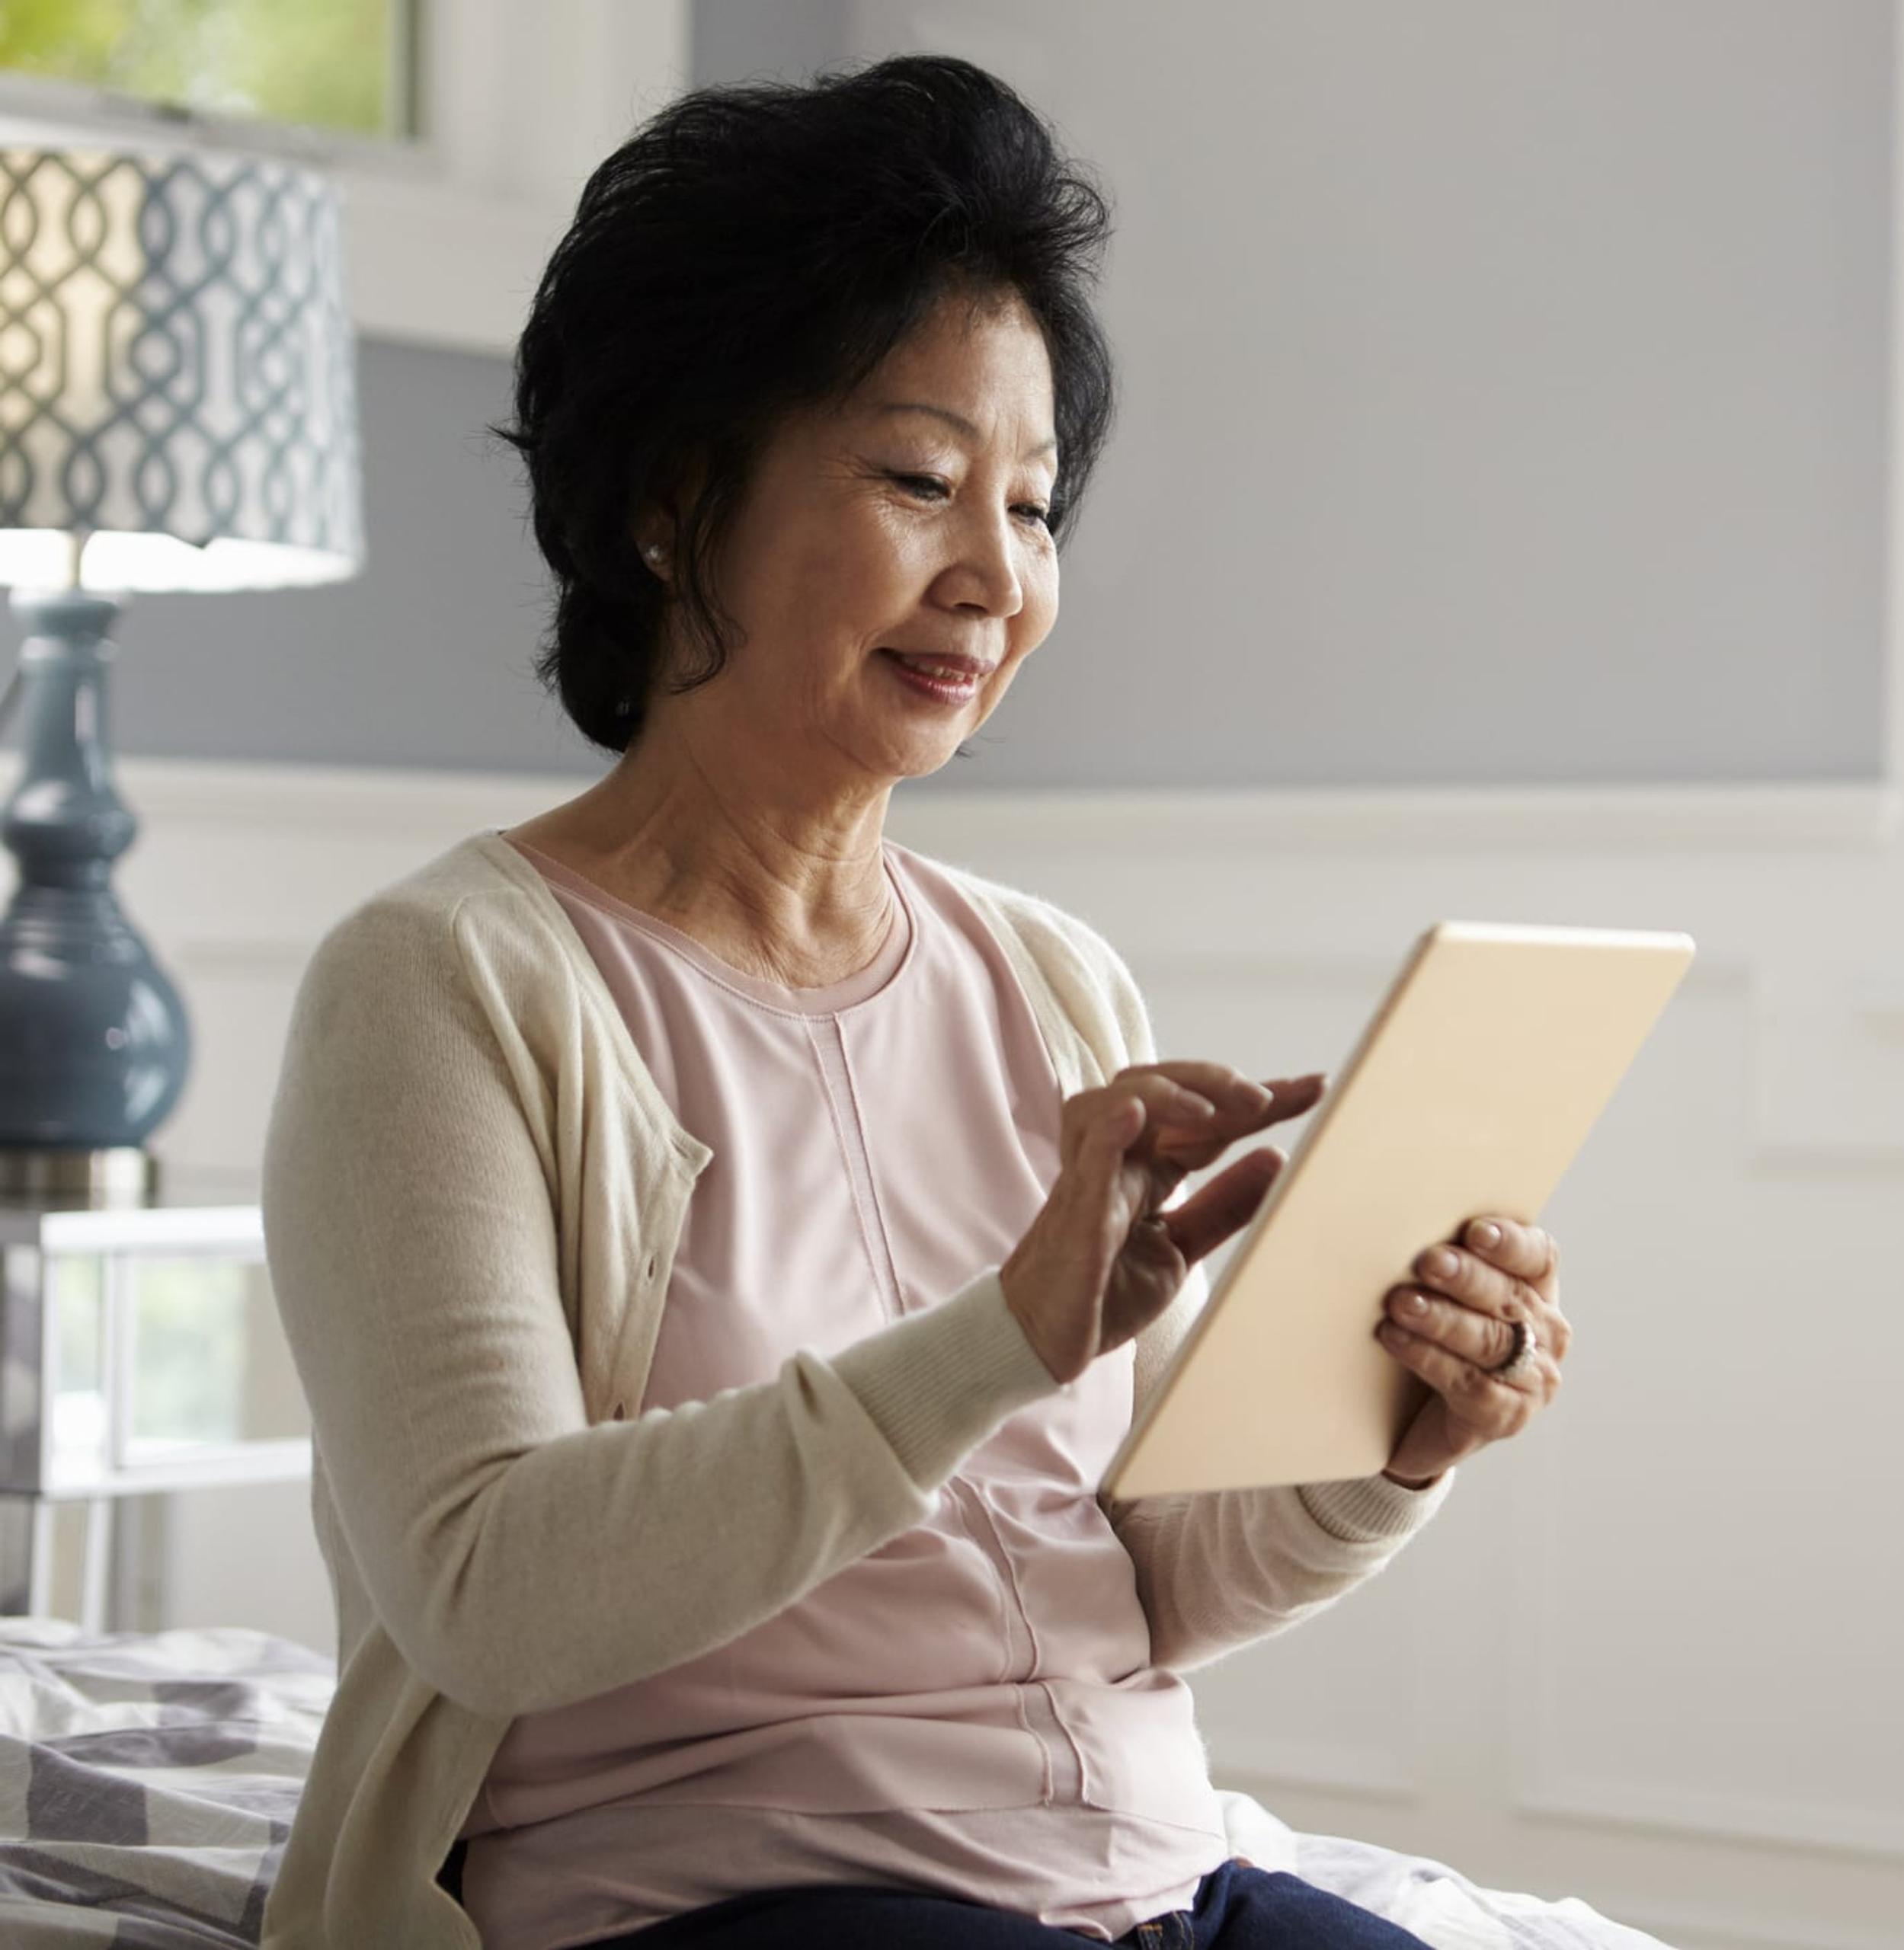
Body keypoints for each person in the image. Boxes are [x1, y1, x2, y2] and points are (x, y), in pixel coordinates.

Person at [255, 53, 1573, 1950]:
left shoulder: (1046, 976)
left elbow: (1125, 1576)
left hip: (1147, 1881)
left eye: (1033, 507)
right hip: (730, 1888)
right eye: (918, 480)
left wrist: (1395, 1440)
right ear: (672, 499)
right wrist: (1004, 1334)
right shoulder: (448, 982)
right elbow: (484, 1586)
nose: (996, 576)